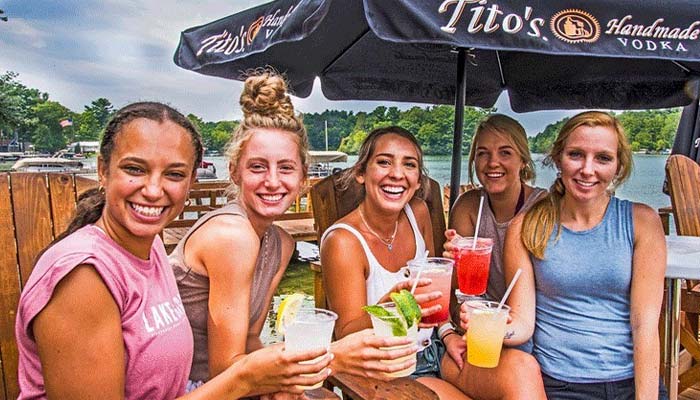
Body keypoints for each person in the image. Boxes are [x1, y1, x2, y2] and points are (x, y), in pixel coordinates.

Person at [15, 101, 332, 399]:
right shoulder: (84, 275)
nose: (153, 191)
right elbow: (229, 368)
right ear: (102, 169)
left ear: (192, 180)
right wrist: (249, 377)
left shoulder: (148, 245)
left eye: (174, 174)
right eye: (135, 169)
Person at [170, 73, 418, 389]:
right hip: (188, 388)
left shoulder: (280, 244)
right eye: (257, 167)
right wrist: (333, 357)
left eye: (286, 168)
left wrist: (282, 388)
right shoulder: (231, 235)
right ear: (235, 172)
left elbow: (248, 341)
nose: (273, 181)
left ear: (302, 178)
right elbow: (225, 370)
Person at [502, 111, 668, 399]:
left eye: (603, 158)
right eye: (576, 154)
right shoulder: (525, 228)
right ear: (558, 159)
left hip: (630, 380)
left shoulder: (643, 222)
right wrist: (487, 327)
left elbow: (645, 324)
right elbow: (523, 325)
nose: (587, 170)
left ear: (618, 167)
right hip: (558, 384)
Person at [444, 114, 546, 301]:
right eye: (482, 153)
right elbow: (458, 288)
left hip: (533, 321)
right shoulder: (468, 206)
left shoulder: (542, 207)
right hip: (482, 316)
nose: (492, 163)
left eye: (505, 152)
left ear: (523, 160)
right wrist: (455, 263)